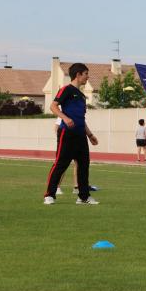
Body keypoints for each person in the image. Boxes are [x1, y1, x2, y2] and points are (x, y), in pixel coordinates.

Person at [44, 63, 99, 205]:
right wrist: (65, 118)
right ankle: (49, 195)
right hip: (66, 134)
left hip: (81, 135)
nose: (88, 77)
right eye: (86, 74)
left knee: (83, 165)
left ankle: (83, 197)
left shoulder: (82, 96)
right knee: (61, 164)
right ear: (78, 75)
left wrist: (90, 135)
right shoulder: (66, 90)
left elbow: (82, 118)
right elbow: (53, 106)